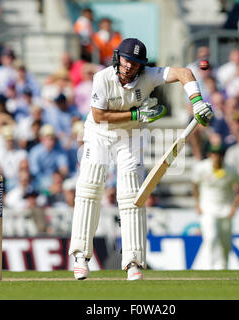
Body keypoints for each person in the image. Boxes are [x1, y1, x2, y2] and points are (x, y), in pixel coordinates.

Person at [68, 38, 213, 280]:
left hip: (131, 136)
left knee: (132, 195)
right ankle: (81, 256)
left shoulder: (149, 75)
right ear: (117, 58)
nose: (129, 67)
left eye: (135, 63)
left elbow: (184, 72)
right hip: (99, 133)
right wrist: (136, 112)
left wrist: (196, 102)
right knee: (89, 187)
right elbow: (99, 114)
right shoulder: (102, 78)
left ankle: (133, 261)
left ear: (141, 66)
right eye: (126, 61)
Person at [192, 144, 239, 270]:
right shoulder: (202, 168)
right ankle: (211, 267)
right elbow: (194, 185)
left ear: (223, 156)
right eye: (214, 154)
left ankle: (223, 267)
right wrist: (198, 204)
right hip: (207, 208)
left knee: (225, 242)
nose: (216, 157)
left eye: (219, 155)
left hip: (226, 209)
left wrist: (234, 206)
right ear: (210, 155)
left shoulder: (230, 170)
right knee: (211, 236)